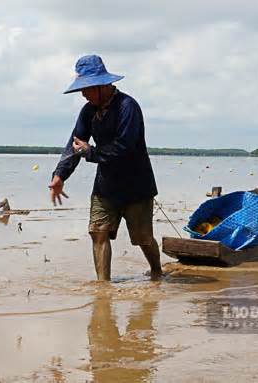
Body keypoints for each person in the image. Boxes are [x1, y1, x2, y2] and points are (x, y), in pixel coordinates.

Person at [49, 55, 162, 281]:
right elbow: (75, 144)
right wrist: (60, 175)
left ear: (103, 85)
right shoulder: (88, 111)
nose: (83, 94)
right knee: (98, 231)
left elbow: (124, 147)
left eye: (87, 89)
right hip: (106, 186)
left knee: (143, 238)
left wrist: (90, 152)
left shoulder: (128, 107)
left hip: (136, 186)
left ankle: (157, 272)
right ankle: (103, 287)